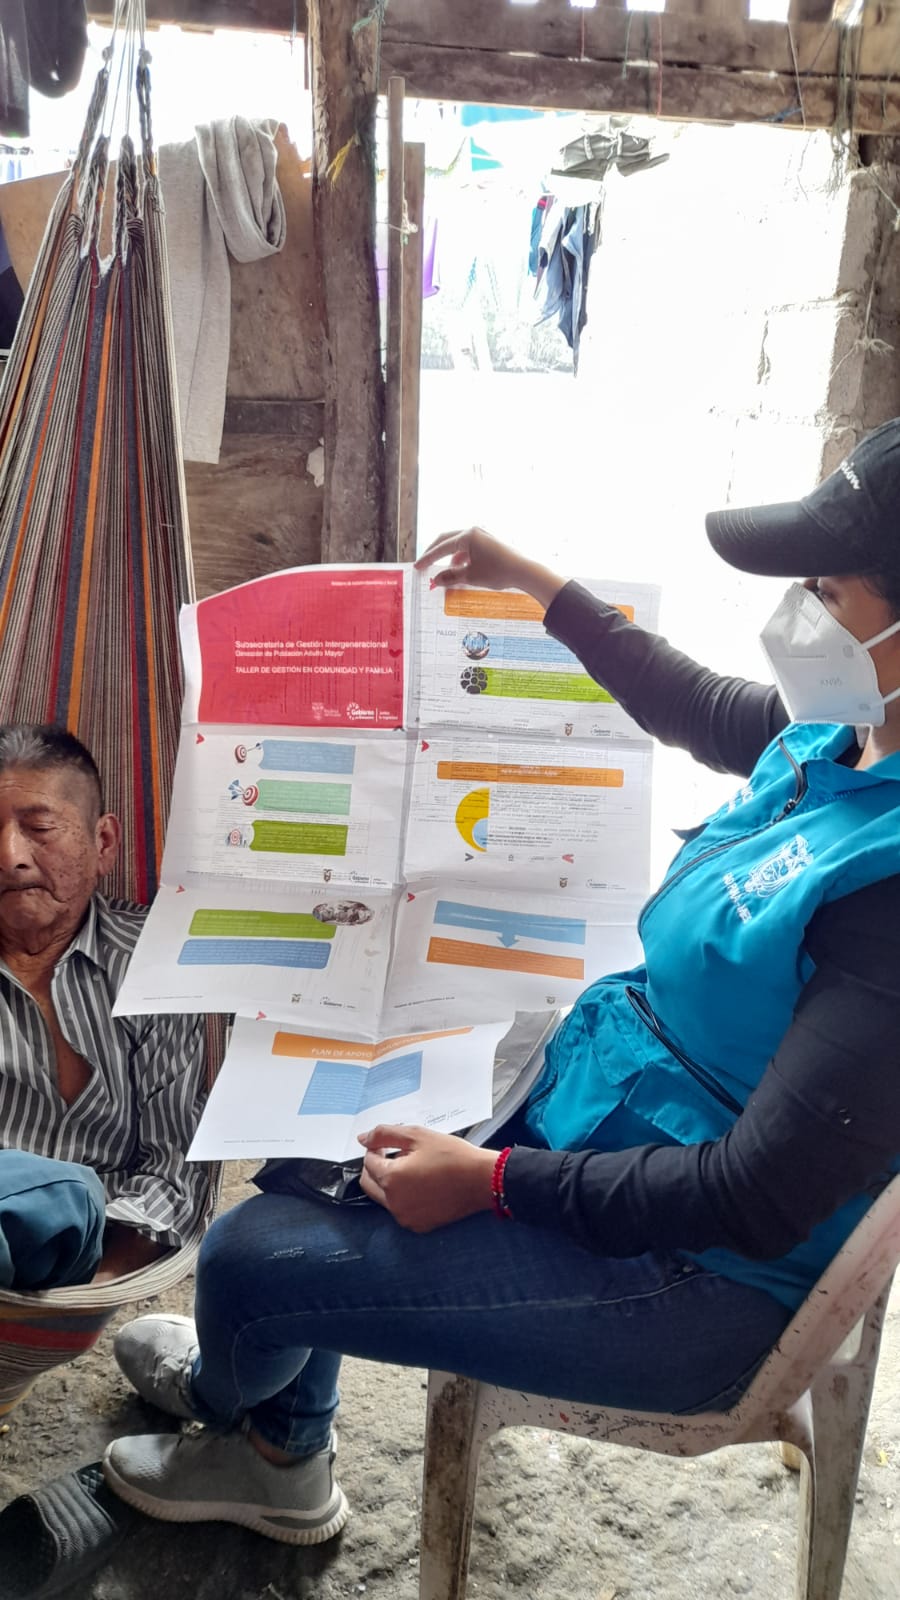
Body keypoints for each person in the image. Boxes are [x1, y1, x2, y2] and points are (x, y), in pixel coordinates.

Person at [104, 420, 900, 1548]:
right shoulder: (844, 733)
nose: (797, 615)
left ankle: (246, 1418)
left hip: (693, 1276)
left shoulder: (889, 901)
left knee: (246, 1258)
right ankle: (283, 1423)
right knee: (324, 1123)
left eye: (826, 590)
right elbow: (687, 700)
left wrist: (492, 1183)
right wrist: (535, 582)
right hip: (610, 1098)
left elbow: (752, 1196)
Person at [0, 725, 207, 1290]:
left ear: (104, 844)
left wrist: (87, 1298)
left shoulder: (159, 965)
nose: (10, 857)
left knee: (69, 1198)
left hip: (95, 1242)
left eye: (40, 829)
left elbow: (174, 1173)